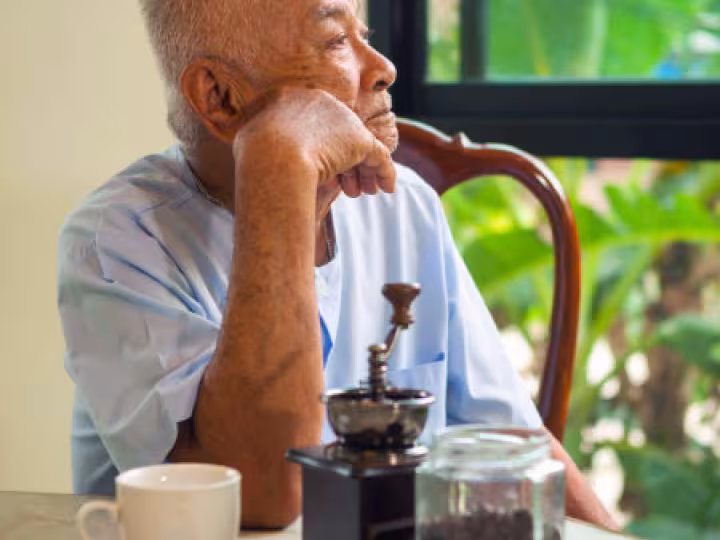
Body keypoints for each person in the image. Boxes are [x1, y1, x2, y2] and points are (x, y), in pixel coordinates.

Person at [58, 0, 617, 530]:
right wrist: (277, 164)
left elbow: (514, 441)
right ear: (220, 98)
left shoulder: (406, 205)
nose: (384, 69)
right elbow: (262, 496)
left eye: (365, 36)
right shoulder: (119, 241)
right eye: (333, 40)